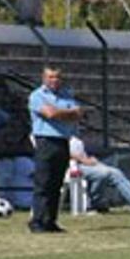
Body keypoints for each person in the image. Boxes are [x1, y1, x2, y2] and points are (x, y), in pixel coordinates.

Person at [27, 67, 86, 233]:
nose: (54, 80)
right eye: (50, 77)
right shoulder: (37, 96)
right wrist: (68, 113)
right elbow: (50, 114)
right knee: (43, 183)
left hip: (62, 141)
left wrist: (62, 113)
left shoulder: (66, 94)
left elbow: (78, 113)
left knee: (56, 183)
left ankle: (50, 220)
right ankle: (37, 221)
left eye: (57, 77)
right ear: (44, 78)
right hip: (45, 141)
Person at [69, 136, 130, 215]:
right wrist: (84, 160)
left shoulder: (74, 132)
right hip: (72, 166)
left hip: (83, 164)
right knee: (106, 173)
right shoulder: (60, 133)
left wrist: (89, 159)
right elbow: (60, 151)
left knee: (114, 172)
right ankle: (97, 203)